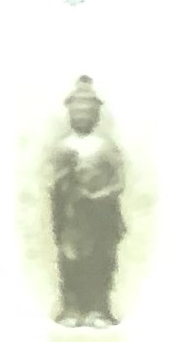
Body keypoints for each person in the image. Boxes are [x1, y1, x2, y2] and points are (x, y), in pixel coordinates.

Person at [44, 78, 128, 325]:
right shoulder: (63, 147)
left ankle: (98, 309)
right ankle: (71, 308)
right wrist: (66, 185)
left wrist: (96, 196)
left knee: (100, 265)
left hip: (100, 218)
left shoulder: (106, 148)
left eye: (87, 110)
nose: (82, 114)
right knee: (70, 263)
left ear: (96, 113)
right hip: (71, 218)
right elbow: (54, 184)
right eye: (77, 110)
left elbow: (118, 183)